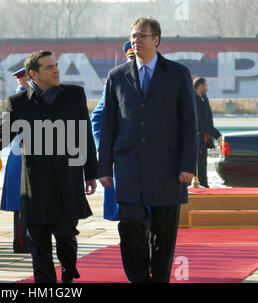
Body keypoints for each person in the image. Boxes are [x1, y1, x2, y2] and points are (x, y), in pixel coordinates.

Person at [98, 18, 198, 283]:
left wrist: (188, 165)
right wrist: (104, 168)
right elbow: (108, 125)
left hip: (168, 168)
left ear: (157, 40)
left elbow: (190, 123)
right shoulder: (116, 77)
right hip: (129, 166)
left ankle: (160, 278)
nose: (136, 41)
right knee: (130, 225)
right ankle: (139, 277)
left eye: (142, 36)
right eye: (133, 36)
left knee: (164, 234)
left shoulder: (178, 74)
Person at [0, 50, 98, 283]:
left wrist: (91, 174)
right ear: (33, 74)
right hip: (35, 185)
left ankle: (69, 269)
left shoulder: (74, 95)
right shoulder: (17, 103)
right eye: (49, 67)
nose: (56, 69)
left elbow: (85, 136)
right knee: (38, 245)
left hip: (67, 181)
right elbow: (3, 139)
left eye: (56, 65)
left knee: (65, 235)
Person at [91, 41, 135, 222]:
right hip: (124, 158)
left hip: (154, 161)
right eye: (131, 59)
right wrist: (106, 149)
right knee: (129, 217)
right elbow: (97, 118)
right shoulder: (116, 81)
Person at [0, 67, 32, 253]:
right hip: (21, 152)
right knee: (20, 202)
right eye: (25, 79)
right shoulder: (20, 100)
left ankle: (25, 240)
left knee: (25, 202)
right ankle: (21, 241)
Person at [193, 77, 221, 188]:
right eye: (206, 86)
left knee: (203, 164)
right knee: (198, 166)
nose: (207, 88)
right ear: (200, 87)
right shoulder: (194, 100)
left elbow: (209, 119)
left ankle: (204, 185)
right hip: (196, 138)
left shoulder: (204, 99)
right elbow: (202, 122)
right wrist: (217, 135)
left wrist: (211, 134)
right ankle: (200, 186)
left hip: (204, 139)